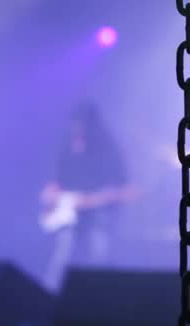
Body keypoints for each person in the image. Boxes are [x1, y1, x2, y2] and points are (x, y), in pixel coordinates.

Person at [40, 102, 136, 292]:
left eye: (81, 124)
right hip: (69, 213)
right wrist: (51, 193)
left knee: (97, 256)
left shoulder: (107, 149)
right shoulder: (67, 147)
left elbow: (121, 186)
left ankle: (99, 300)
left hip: (98, 214)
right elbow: (57, 179)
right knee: (61, 257)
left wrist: (95, 199)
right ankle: (48, 299)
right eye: (74, 123)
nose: (76, 128)